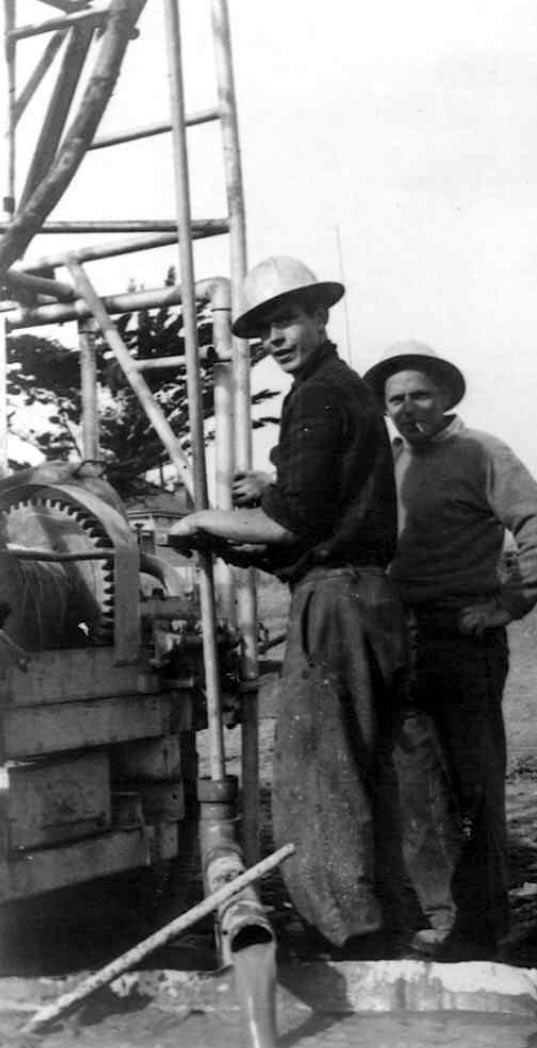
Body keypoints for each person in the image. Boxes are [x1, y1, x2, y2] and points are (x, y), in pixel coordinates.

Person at [170, 257, 406, 954]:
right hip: (363, 596)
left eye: (285, 320)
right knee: (363, 764)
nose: (275, 338)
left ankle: (344, 934)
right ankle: (380, 919)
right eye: (264, 328)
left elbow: (293, 527)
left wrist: (202, 523)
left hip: (335, 600)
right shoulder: (345, 390)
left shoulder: (315, 394)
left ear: (319, 316)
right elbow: (311, 516)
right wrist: (264, 504)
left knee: (317, 764)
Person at [363, 340, 537, 960]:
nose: (407, 408)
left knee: (474, 785)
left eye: (420, 394)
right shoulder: (389, 461)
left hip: (463, 636)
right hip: (400, 637)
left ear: (445, 397)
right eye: (395, 399)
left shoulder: (480, 451)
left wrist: (510, 602)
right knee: (414, 781)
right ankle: (441, 917)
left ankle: (482, 927)